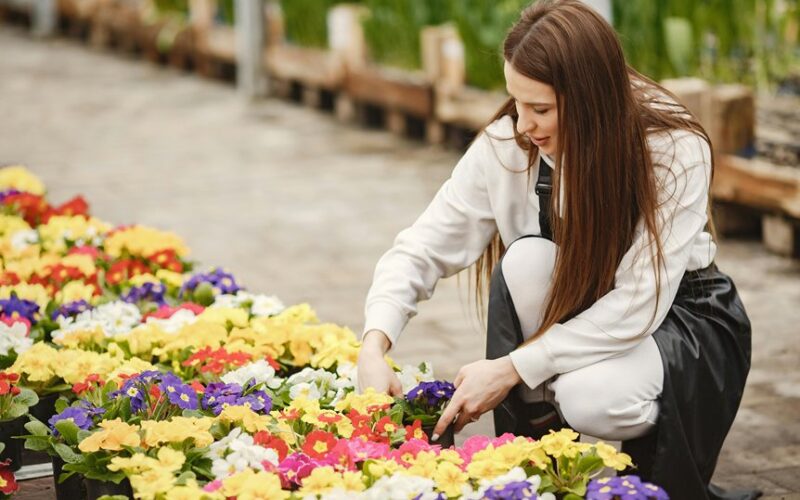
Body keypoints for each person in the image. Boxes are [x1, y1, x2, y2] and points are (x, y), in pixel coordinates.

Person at [356, 1, 753, 498]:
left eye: (541, 109)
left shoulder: (670, 147)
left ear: (591, 101)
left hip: (682, 315)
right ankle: (537, 472)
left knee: (588, 396)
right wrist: (374, 345)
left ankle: (655, 476)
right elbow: (421, 247)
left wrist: (510, 369)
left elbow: (639, 301)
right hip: (588, 309)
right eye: (516, 102)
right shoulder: (508, 145)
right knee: (525, 262)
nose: (523, 124)